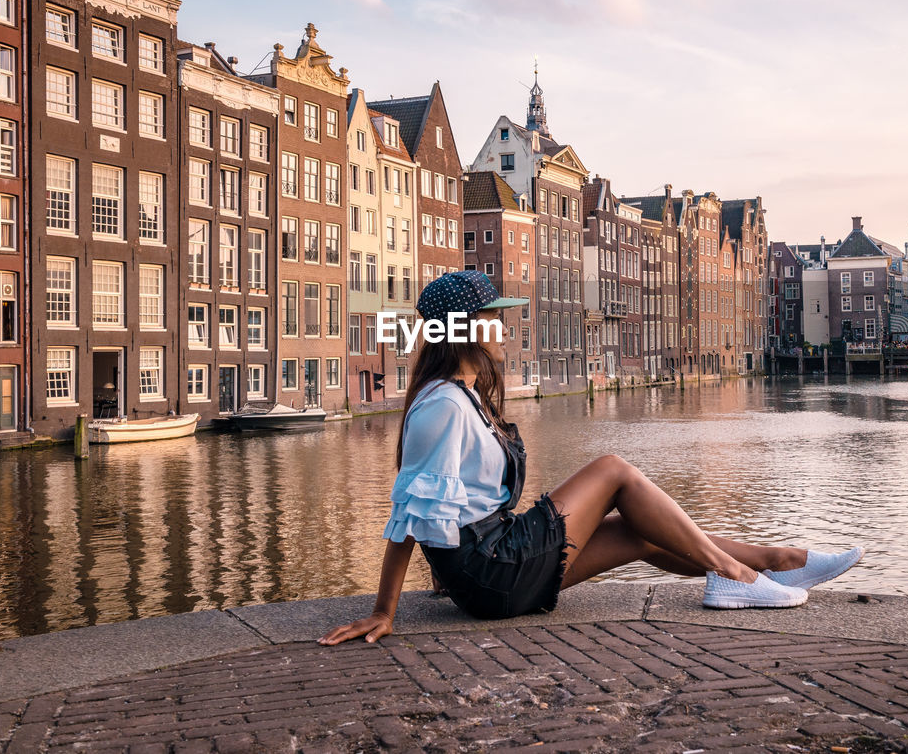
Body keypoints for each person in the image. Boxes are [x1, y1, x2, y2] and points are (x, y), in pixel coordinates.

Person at [320, 271, 865, 646]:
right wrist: (384, 610)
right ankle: (737, 574)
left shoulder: (465, 397)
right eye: (494, 317)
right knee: (612, 469)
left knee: (640, 533)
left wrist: (446, 568)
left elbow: (457, 503)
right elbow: (410, 514)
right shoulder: (442, 404)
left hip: (492, 568)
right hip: (491, 572)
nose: (506, 328)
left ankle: (779, 563)